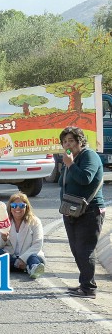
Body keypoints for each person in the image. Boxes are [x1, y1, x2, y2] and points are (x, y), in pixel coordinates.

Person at [59, 126, 105, 299]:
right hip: (71, 210)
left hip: (90, 210)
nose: (67, 144)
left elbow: (86, 178)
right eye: (64, 142)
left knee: (85, 249)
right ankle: (84, 283)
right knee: (76, 249)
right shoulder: (71, 158)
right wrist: (68, 164)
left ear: (80, 141)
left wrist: (70, 164)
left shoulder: (89, 156)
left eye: (71, 140)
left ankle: (89, 288)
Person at [0, 192, 46, 279]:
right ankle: (26, 267)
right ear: (10, 208)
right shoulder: (3, 222)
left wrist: (23, 259)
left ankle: (31, 266)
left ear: (26, 207)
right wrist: (3, 238)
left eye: (21, 205)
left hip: (29, 255)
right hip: (11, 256)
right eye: (14, 205)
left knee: (34, 258)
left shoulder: (35, 221)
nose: (17, 208)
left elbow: (38, 244)